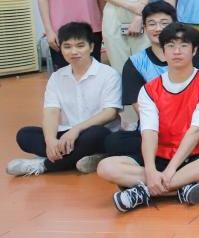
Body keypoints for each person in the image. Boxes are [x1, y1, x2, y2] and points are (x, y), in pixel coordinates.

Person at [96, 23, 199, 212]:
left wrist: (169, 171)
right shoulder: (149, 89)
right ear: (163, 51)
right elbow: (149, 132)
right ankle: (180, 188)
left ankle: (145, 192)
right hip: (160, 155)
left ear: (194, 51)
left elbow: (195, 131)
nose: (177, 51)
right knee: (106, 167)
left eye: (183, 45)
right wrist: (151, 170)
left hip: (195, 154)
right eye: (170, 46)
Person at [7, 22, 120, 176]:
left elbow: (110, 113)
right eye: (67, 46)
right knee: (24, 135)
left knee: (98, 135)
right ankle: (86, 157)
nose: (74, 51)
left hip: (93, 132)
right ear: (61, 49)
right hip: (65, 134)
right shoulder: (57, 77)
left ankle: (44, 165)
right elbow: (51, 112)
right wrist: (50, 141)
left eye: (80, 46)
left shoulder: (109, 74)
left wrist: (76, 130)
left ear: (91, 47)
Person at [104, 1, 199, 158]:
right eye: (151, 24)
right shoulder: (135, 63)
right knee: (114, 141)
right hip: (154, 131)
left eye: (164, 23)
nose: (158, 28)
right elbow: (141, 109)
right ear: (145, 28)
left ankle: (154, 160)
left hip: (189, 128)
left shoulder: (193, 57)